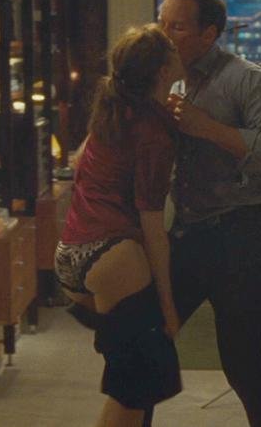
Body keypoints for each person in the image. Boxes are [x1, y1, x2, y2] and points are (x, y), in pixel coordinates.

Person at [156, 0, 261, 427]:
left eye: (177, 27)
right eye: (161, 23)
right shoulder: (165, 77)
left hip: (241, 237)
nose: (164, 35)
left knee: (243, 365)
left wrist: (208, 128)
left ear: (209, 34)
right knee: (145, 346)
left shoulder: (247, 79)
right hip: (186, 233)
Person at [54, 24, 185, 427]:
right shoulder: (153, 133)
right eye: (171, 46)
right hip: (114, 256)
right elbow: (152, 226)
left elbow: (81, 165)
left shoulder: (112, 112)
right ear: (164, 71)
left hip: (72, 254)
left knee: (137, 378)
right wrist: (168, 307)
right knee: (135, 389)